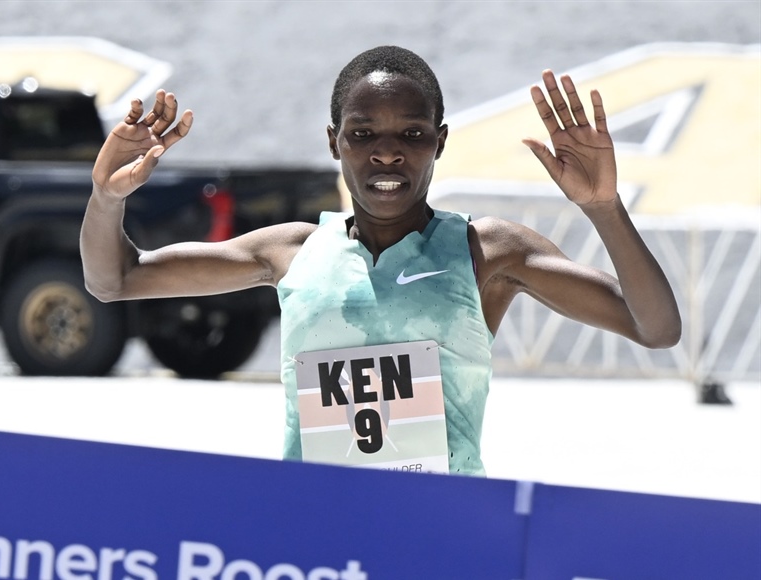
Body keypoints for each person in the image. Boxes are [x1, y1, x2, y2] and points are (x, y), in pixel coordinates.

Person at [81, 46, 681, 476]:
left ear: (439, 142)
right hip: (314, 531)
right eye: (363, 134)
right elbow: (115, 280)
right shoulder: (290, 251)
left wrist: (604, 207)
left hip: (444, 532)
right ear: (334, 141)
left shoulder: (489, 251)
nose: (388, 153)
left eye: (412, 135)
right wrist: (107, 197)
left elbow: (654, 326)